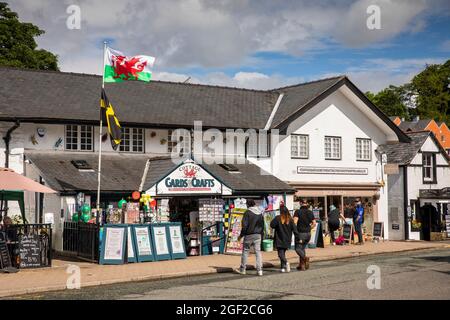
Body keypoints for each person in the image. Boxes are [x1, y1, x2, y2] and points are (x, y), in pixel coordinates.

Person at [235, 199, 264, 276]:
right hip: (258, 235)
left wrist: (241, 235)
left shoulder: (247, 213)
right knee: (258, 252)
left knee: (245, 251)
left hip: (249, 235)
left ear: (247, 205)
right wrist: (261, 234)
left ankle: (243, 269)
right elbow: (262, 225)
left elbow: (244, 226)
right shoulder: (260, 213)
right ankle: (259, 270)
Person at [270, 206, 300, 273]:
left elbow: (272, 225)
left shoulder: (278, 218)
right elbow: (295, 230)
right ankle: (282, 267)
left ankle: (286, 263)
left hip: (279, 239)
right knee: (282, 253)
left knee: (280, 254)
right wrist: (298, 238)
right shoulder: (290, 219)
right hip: (287, 239)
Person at [293, 199, 316, 271]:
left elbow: (294, 222)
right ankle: (302, 266)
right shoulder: (310, 212)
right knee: (302, 248)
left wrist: (295, 231)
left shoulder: (298, 212)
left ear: (300, 203)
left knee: (297, 249)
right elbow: (314, 223)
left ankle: (305, 258)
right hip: (308, 234)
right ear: (307, 204)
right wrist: (309, 228)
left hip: (300, 233)